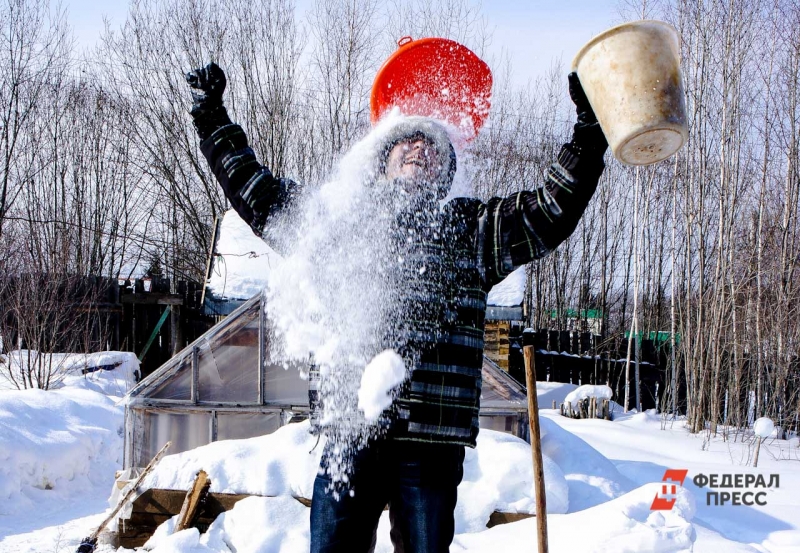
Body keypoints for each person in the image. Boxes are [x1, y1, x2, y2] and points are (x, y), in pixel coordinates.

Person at [186, 61, 607, 553]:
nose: (419, 147)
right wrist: (212, 118)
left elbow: (551, 209)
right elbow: (257, 194)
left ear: (446, 170)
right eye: (406, 140)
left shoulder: (470, 230)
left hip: (431, 437)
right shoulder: (338, 225)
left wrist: (589, 132)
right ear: (380, 159)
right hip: (350, 430)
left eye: (432, 144)